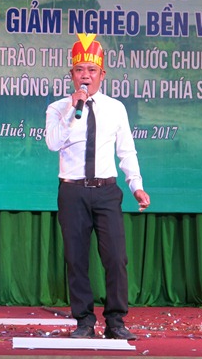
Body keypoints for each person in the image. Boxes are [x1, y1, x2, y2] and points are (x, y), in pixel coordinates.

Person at [45, 33, 150, 340]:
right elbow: (53, 143)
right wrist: (71, 111)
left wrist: (136, 186)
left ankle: (116, 320)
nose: (86, 76)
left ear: (102, 75)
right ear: (71, 74)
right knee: (76, 258)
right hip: (72, 191)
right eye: (80, 70)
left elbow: (126, 151)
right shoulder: (57, 108)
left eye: (92, 70)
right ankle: (84, 321)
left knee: (116, 257)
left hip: (106, 191)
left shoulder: (116, 108)